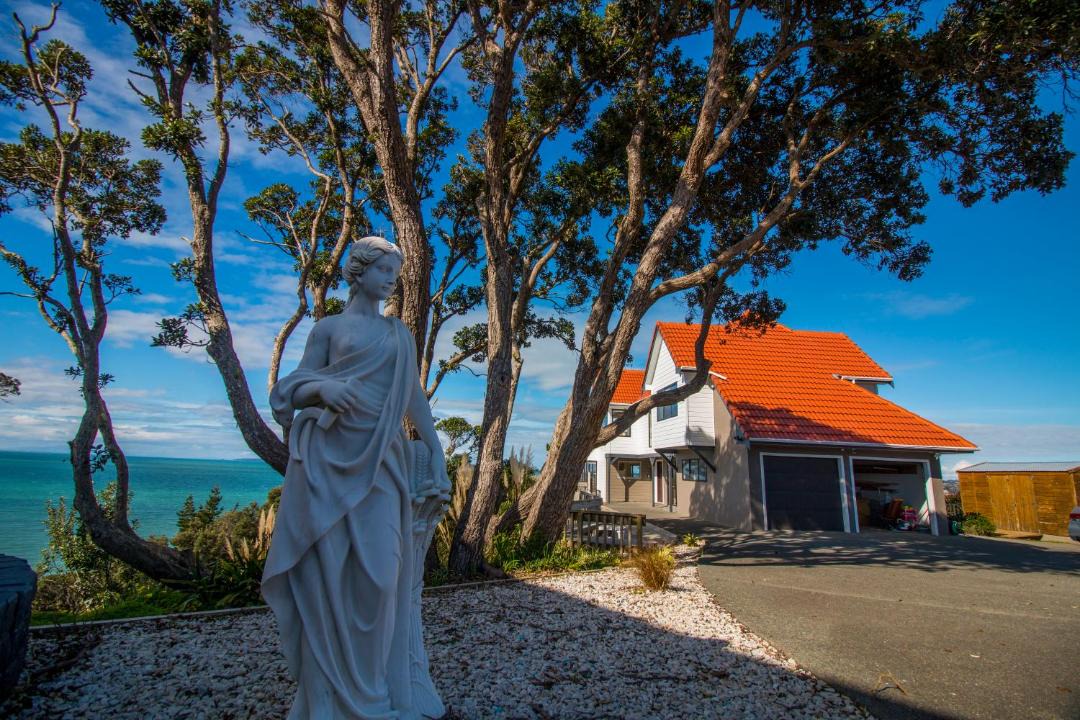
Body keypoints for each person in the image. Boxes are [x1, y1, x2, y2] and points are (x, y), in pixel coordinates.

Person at [262, 236, 449, 719]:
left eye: (395, 273)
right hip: (326, 464)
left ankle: (373, 692)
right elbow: (291, 388)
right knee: (329, 579)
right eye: (383, 270)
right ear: (359, 272)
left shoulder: (398, 335)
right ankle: (328, 701)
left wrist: (433, 445)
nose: (390, 280)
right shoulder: (327, 329)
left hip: (383, 462)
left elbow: (412, 395)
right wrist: (323, 389)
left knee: (383, 577)